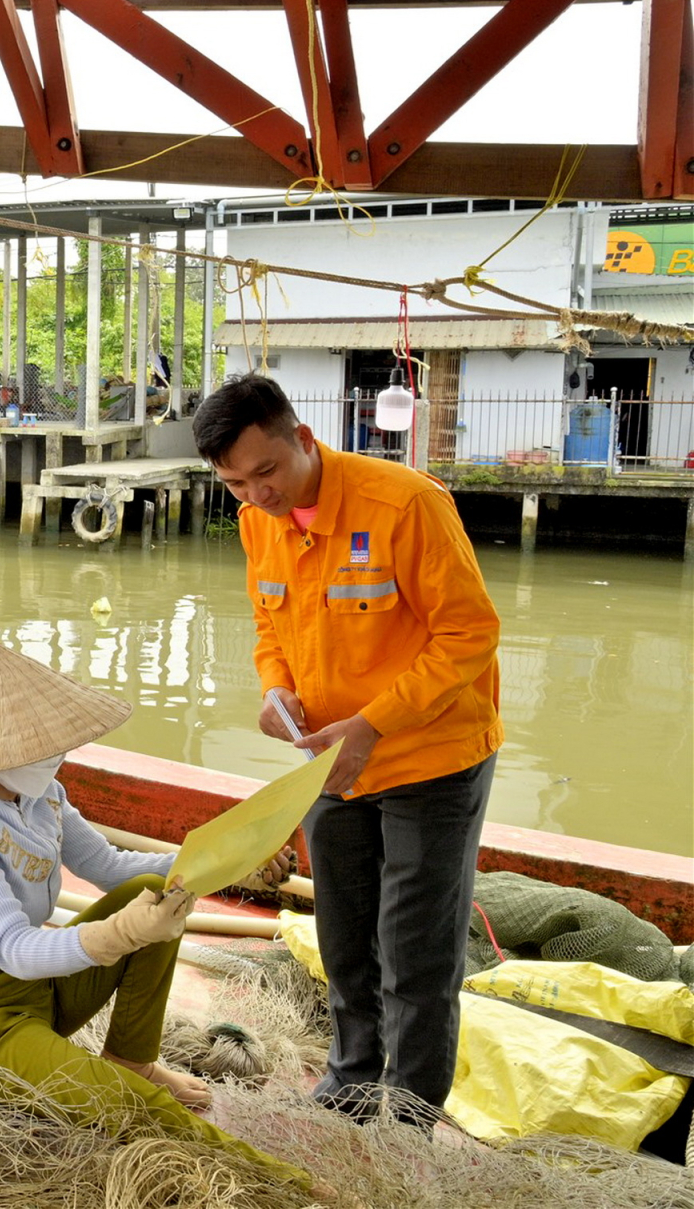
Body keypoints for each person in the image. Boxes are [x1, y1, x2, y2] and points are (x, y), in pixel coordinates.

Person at [193, 373, 501, 1128]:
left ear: (304, 439)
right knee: (344, 930)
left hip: (431, 755)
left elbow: (471, 632)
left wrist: (372, 724)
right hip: (326, 759)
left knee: (416, 948)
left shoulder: (406, 504)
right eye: (235, 483)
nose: (257, 494)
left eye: (267, 472)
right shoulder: (257, 522)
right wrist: (274, 692)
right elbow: (272, 630)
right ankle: (351, 1078)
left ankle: (407, 1114)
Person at [0, 643, 309, 1193]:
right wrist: (118, 934)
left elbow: (110, 866)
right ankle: (275, 1179)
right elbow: (13, 950)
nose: (58, 756)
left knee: (149, 889)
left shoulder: (41, 794)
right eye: (43, 748)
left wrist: (232, 863)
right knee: (118, 1105)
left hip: (39, 994)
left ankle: (132, 1057)